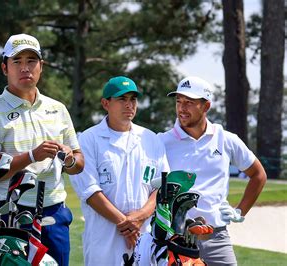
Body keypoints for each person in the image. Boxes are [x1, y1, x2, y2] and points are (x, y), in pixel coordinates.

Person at [0, 33, 84, 266]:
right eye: (17, 62)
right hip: (7, 214)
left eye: (31, 61)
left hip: (54, 213)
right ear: (4, 68)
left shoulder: (58, 109)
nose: (25, 68)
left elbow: (78, 163)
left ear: (41, 66)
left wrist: (69, 159)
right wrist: (33, 156)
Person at [158, 76, 267, 265]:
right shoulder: (162, 142)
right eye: (178, 102)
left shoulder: (226, 139)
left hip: (217, 237)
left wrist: (239, 211)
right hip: (175, 238)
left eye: (189, 103)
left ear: (206, 106)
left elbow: (258, 175)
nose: (182, 108)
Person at [70, 76, 170, 265]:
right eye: (122, 99)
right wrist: (126, 224)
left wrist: (138, 219)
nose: (129, 105)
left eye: (133, 99)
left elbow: (162, 187)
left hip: (145, 236)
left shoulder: (151, 139)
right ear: (105, 103)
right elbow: (90, 192)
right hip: (104, 237)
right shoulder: (88, 139)